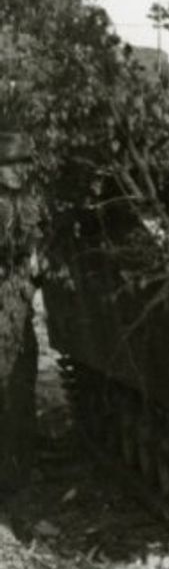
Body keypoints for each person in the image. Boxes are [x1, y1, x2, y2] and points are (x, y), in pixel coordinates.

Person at [0, 131, 38, 491]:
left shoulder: (26, 202)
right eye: (10, 164)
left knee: (22, 378)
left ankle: (22, 461)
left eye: (22, 164)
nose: (17, 171)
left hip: (19, 301)